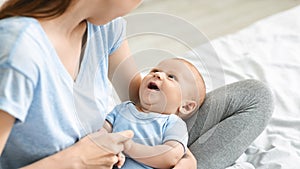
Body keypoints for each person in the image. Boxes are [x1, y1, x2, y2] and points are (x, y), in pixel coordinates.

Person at [0, 1, 274, 169]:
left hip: (120, 150)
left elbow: (144, 100)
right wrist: (75, 160)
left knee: (254, 97)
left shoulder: (105, 28)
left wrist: (178, 149)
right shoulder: (19, 50)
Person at [103, 58, 206, 169]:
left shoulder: (173, 123)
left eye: (171, 77)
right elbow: (101, 132)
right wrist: (108, 145)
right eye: (154, 70)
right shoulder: (123, 109)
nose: (158, 74)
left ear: (185, 106)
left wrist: (129, 147)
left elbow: (170, 157)